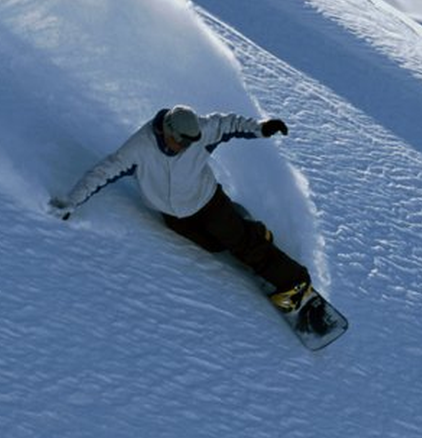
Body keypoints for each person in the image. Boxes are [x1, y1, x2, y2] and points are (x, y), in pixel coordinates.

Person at [49, 105, 312, 311]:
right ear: (168, 133)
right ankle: (252, 229)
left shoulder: (199, 131)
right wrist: (71, 201)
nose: (187, 146)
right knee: (216, 246)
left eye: (190, 142)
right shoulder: (139, 148)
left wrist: (262, 127)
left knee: (241, 245)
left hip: (208, 201)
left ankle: (293, 282)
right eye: (183, 143)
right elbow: (102, 173)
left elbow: (229, 124)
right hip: (176, 216)